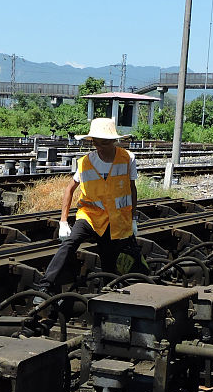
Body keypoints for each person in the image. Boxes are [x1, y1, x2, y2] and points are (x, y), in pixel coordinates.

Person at [35, 116, 142, 290]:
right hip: (89, 216)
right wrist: (63, 221)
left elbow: (132, 188)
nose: (99, 147)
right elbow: (69, 189)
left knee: (109, 259)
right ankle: (45, 284)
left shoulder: (127, 158)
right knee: (69, 243)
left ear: (113, 141)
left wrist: (133, 218)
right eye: (96, 143)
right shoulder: (85, 162)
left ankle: (108, 292)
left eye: (103, 143)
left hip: (114, 220)